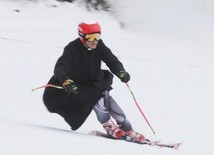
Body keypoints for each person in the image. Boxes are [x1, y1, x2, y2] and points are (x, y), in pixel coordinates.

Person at [43, 21, 145, 142]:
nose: (94, 40)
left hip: (95, 80)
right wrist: (66, 81)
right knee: (97, 99)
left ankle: (127, 128)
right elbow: (60, 67)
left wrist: (120, 71)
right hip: (78, 85)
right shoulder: (72, 48)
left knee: (109, 102)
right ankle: (109, 126)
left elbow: (111, 60)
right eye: (90, 37)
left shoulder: (99, 45)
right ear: (82, 37)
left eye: (97, 36)